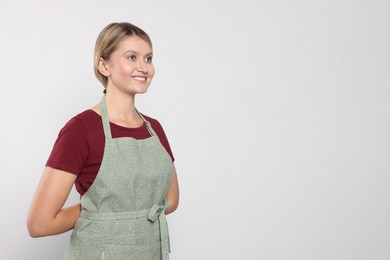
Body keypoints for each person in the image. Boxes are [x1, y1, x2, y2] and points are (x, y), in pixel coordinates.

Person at [27, 22, 179, 260]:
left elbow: (171, 200)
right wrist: (100, 212)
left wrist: (125, 214)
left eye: (148, 58)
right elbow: (40, 223)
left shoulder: (154, 129)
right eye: (132, 57)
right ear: (104, 65)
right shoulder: (81, 130)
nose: (144, 67)